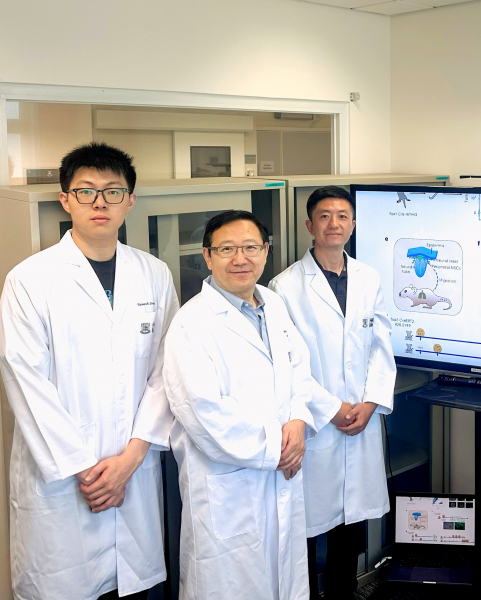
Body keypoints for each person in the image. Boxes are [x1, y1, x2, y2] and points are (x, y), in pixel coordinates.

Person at [0, 143, 178, 599]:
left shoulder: (155, 274)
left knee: (132, 590)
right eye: (86, 191)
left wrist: (131, 459)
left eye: (112, 191)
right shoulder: (29, 280)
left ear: (130, 200)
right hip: (64, 479)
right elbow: (26, 381)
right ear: (65, 199)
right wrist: (88, 472)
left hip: (133, 467)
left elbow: (166, 373)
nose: (100, 202)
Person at [163, 210, 316, 600]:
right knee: (230, 584)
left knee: (284, 578)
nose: (240, 259)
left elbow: (300, 369)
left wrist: (298, 421)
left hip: (281, 469)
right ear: (207, 256)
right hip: (229, 483)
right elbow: (203, 413)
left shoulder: (273, 304)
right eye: (227, 249)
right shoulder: (191, 324)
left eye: (250, 247)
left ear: (265, 251)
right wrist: (276, 448)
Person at [269, 186, 396, 599]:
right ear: (310, 225)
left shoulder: (369, 278)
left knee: (350, 531)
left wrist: (371, 402)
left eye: (342, 216)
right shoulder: (284, 286)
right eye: (324, 216)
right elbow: (287, 364)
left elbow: (381, 345)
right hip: (315, 423)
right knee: (306, 534)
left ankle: (343, 595)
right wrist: (333, 408)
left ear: (353, 224)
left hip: (361, 420)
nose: (334, 224)